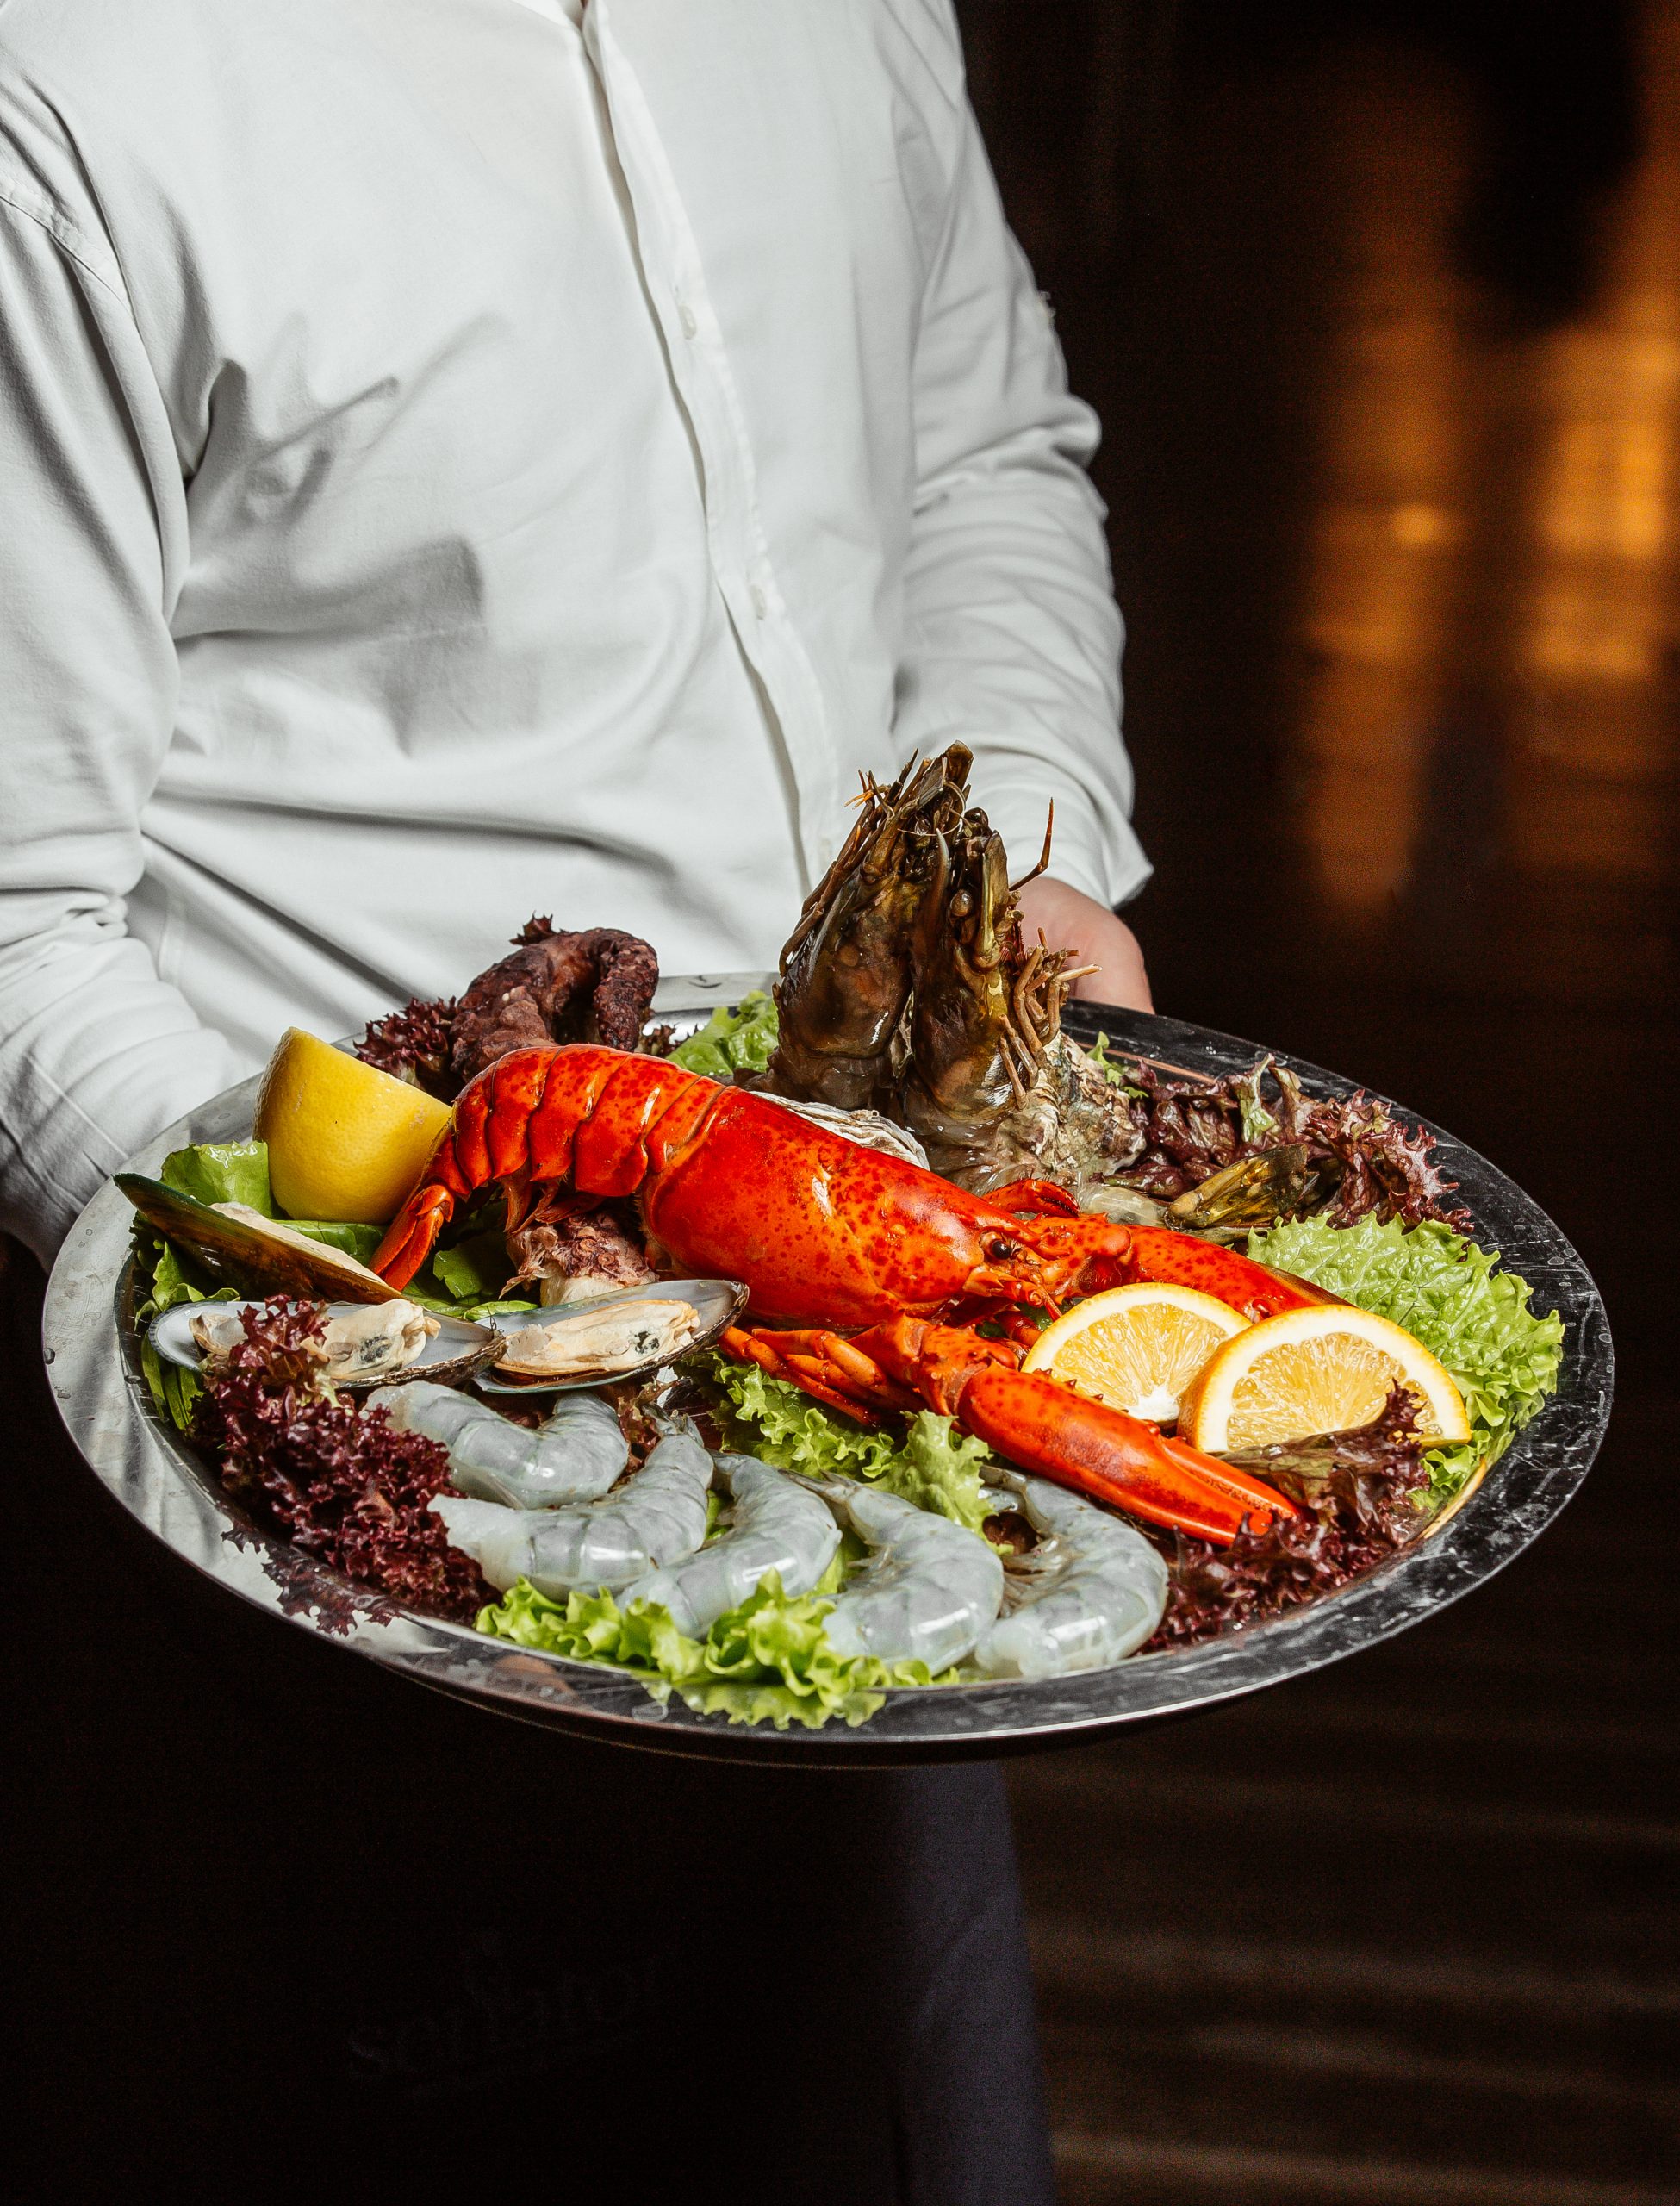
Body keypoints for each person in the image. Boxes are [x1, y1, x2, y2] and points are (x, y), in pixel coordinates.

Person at [1, 2, 1152, 2195]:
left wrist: (1045, 848)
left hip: (850, 1352)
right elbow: (7, 915)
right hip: (315, 1468)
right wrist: (360, 1333)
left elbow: (978, 451)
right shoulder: (66, 83)